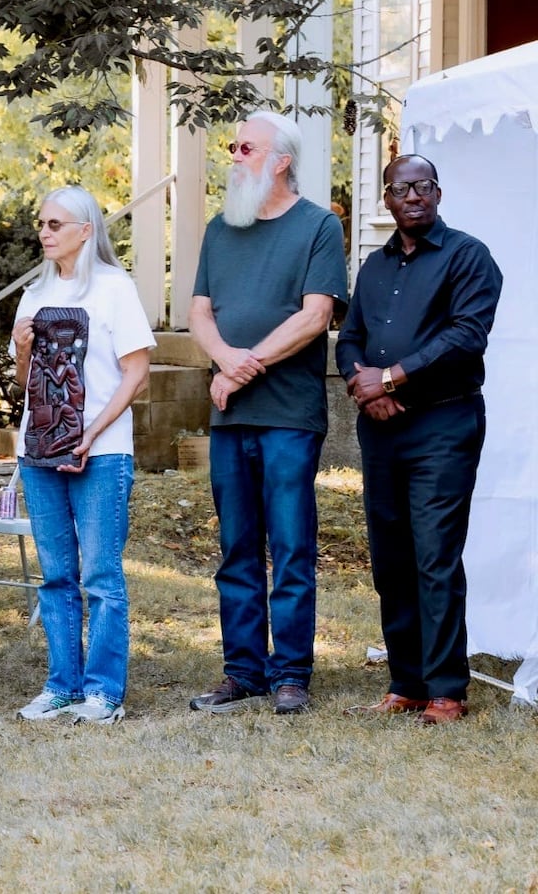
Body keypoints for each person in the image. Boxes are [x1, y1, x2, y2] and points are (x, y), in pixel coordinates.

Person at [187, 110, 348, 716]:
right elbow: (200, 312)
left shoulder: (318, 226)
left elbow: (315, 316)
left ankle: (291, 673)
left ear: (280, 160)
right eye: (233, 147)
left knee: (291, 545)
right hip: (230, 418)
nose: (234, 156)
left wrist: (240, 366)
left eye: (244, 147)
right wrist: (225, 359)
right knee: (236, 547)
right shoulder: (219, 230)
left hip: (288, 415)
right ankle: (244, 671)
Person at [337, 155, 502, 724]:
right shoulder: (375, 268)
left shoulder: (468, 257)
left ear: (438, 192)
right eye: (401, 188)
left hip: (442, 423)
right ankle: (405, 682)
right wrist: (368, 389)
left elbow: (465, 336)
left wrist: (391, 376)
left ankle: (446, 691)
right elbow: (350, 336)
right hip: (382, 427)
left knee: (434, 556)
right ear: (385, 198)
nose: (413, 196)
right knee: (390, 557)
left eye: (423, 186)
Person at [10, 187, 154, 724]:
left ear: (86, 229)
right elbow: (25, 383)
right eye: (41, 223)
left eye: (54, 224)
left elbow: (136, 374)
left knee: (100, 576)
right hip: (40, 450)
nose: (44, 232)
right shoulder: (33, 294)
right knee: (55, 576)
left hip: (102, 451)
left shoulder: (115, 289)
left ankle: (103, 692)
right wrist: (23, 348)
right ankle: (63, 686)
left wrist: (90, 434)